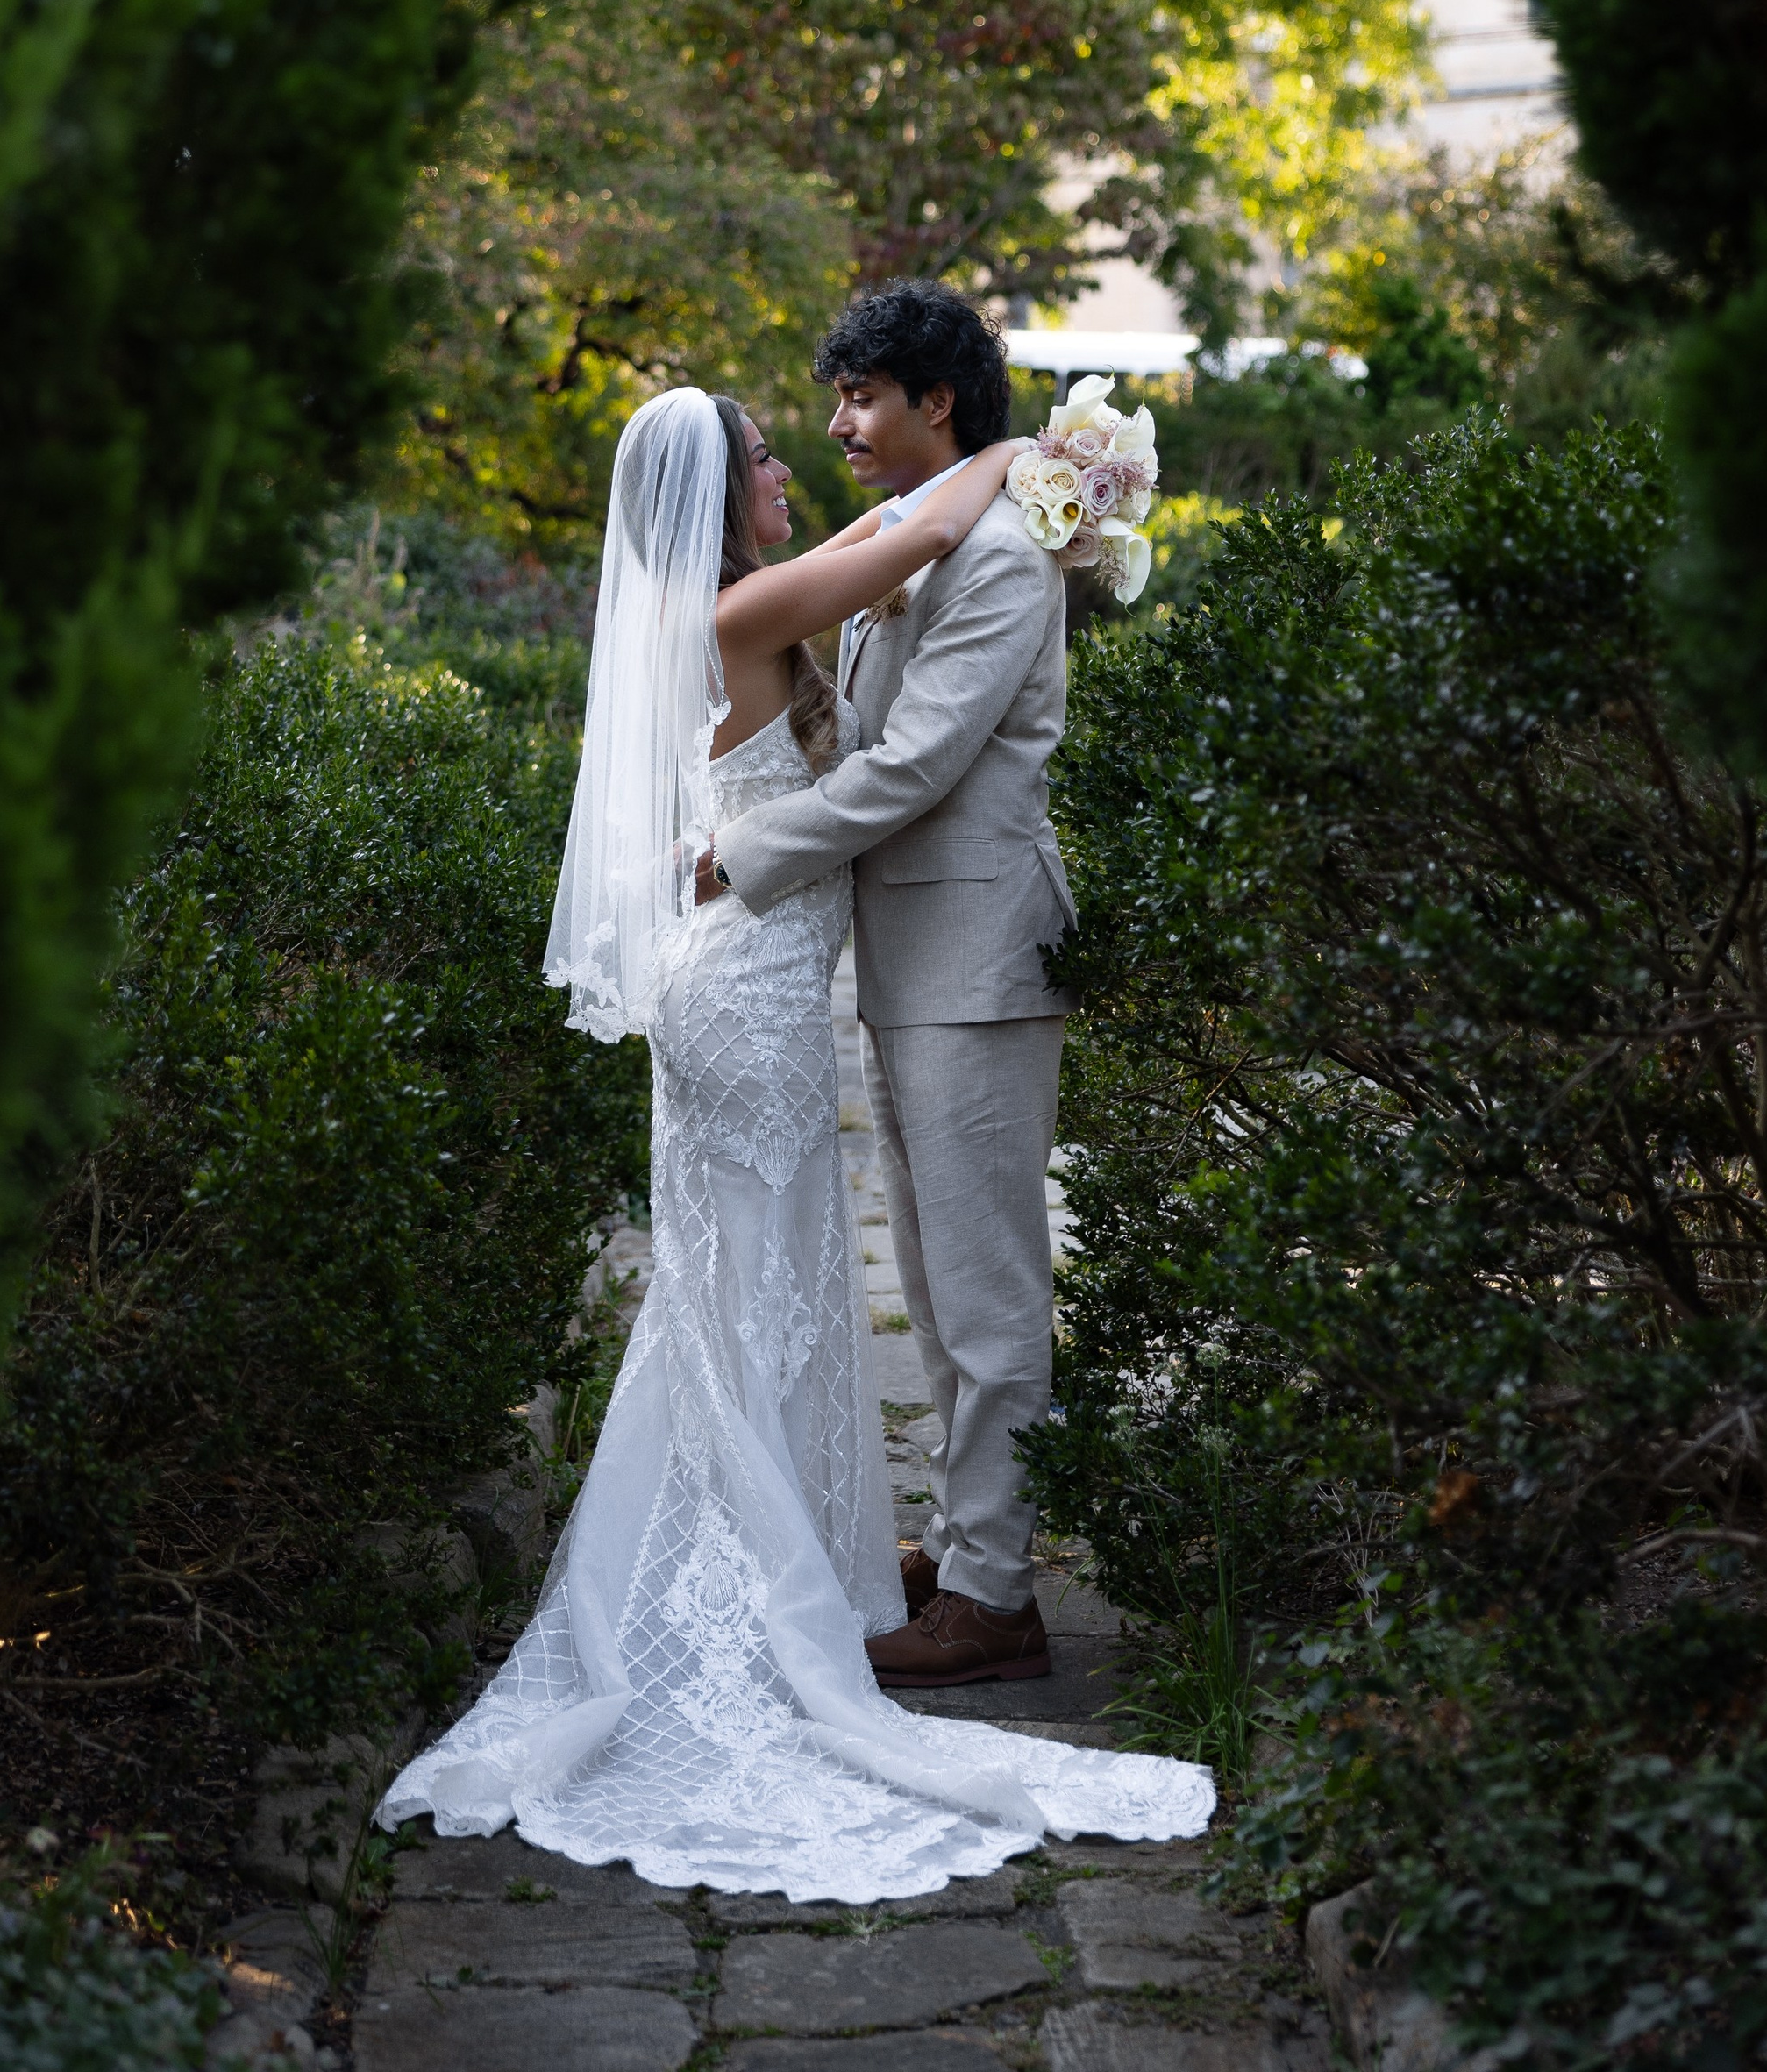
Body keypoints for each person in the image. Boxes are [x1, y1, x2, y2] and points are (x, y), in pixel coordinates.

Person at [378, 378, 1211, 1902]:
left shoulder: (725, 605)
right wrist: (1031, 460)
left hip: (746, 991)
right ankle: (757, 1586)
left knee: (747, 1295)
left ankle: (794, 1563)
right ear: (717, 499)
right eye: (766, 451)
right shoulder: (749, 614)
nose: (791, 464)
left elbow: (883, 533)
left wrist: (1015, 483)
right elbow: (916, 527)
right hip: (749, 1005)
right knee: (752, 1293)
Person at [702, 284, 1077, 1689]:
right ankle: (970, 1543)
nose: (840, 420)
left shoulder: (1002, 561)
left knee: (986, 1289)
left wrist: (738, 859)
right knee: (932, 1278)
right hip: (912, 962)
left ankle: (999, 1599)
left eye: (865, 396)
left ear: (939, 402)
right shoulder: (921, 543)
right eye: (838, 395)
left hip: (980, 958)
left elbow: (914, 765)